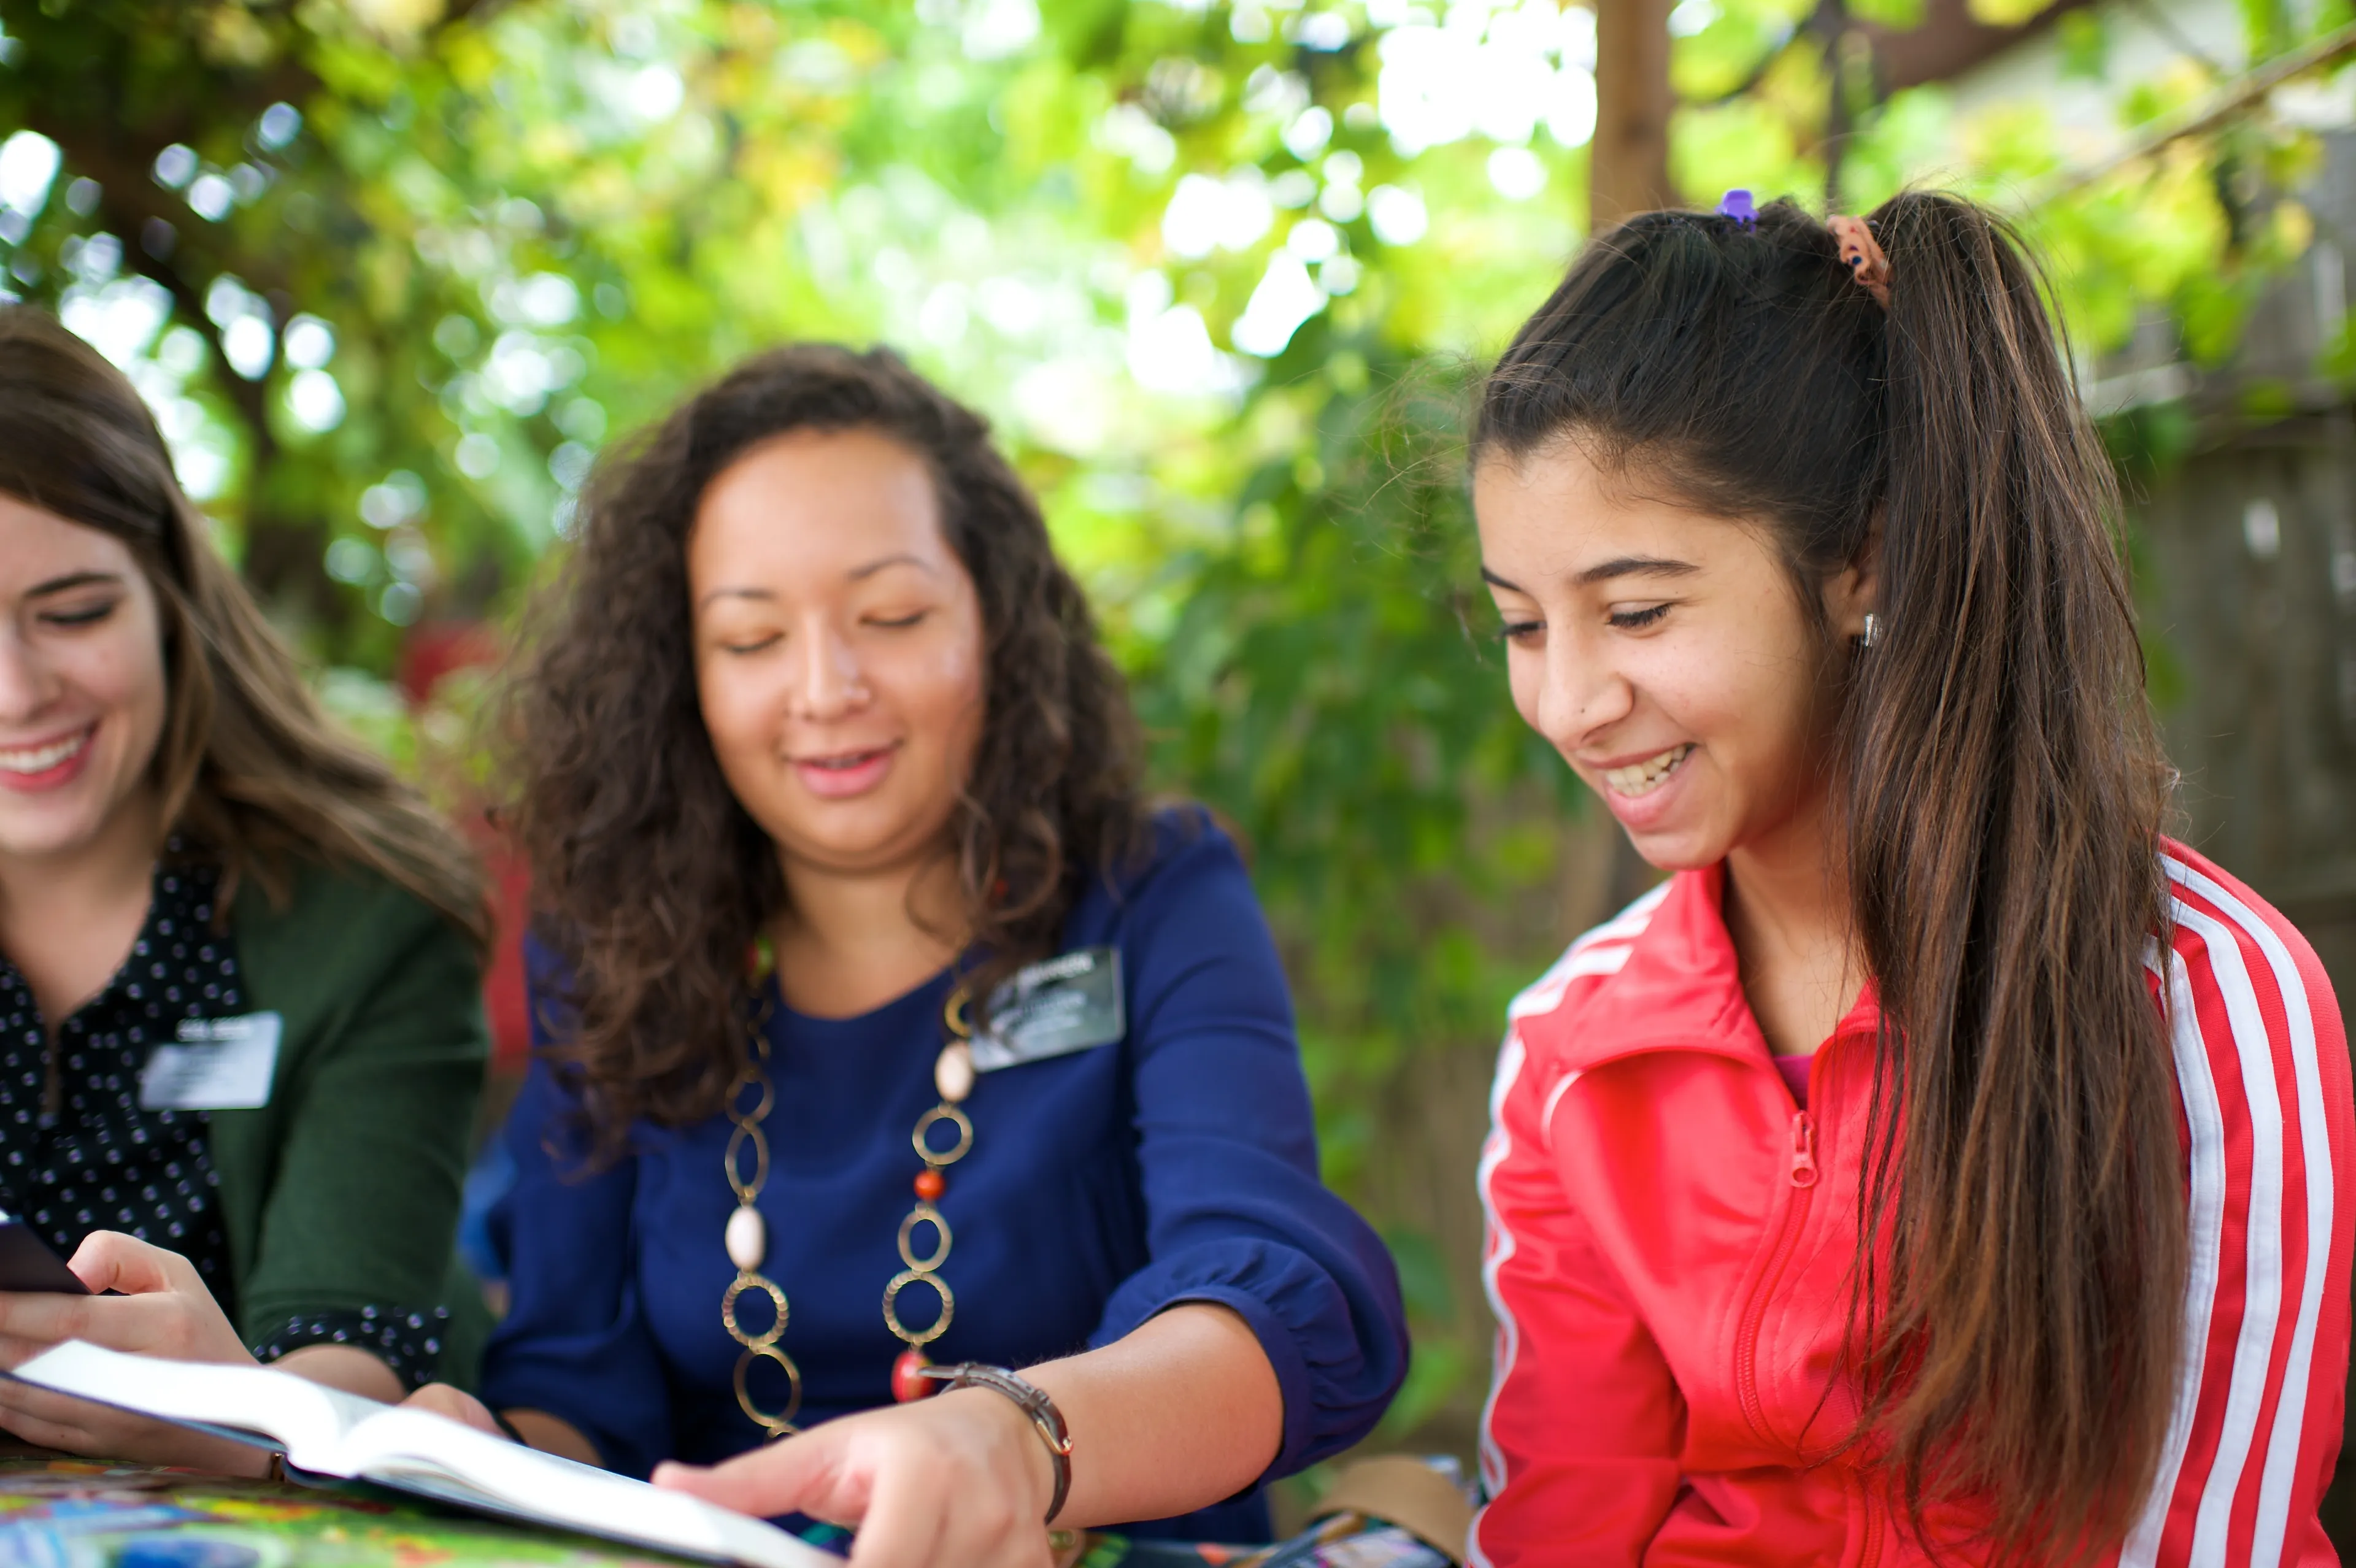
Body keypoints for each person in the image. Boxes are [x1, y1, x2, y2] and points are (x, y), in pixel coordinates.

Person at [406, 344, 1409, 1568]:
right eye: (751, 638)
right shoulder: (610, 950)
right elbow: (576, 1380)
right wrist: (479, 1456)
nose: (825, 689)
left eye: (890, 617)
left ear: (995, 621)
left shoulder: (1152, 892)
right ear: (682, 678)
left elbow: (1268, 1292)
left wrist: (1020, 1439)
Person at [1468, 193, 2350, 1567]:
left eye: (1638, 612)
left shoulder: (2204, 1005)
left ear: (1860, 553)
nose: (1571, 701)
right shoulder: (1571, 1053)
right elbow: (1562, 1525)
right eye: (1525, 626)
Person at [0, 306, 492, 1459]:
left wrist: (244, 1419)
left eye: (72, 613)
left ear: (174, 601)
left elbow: (357, 1355)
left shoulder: (369, 923)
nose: (17, 693)